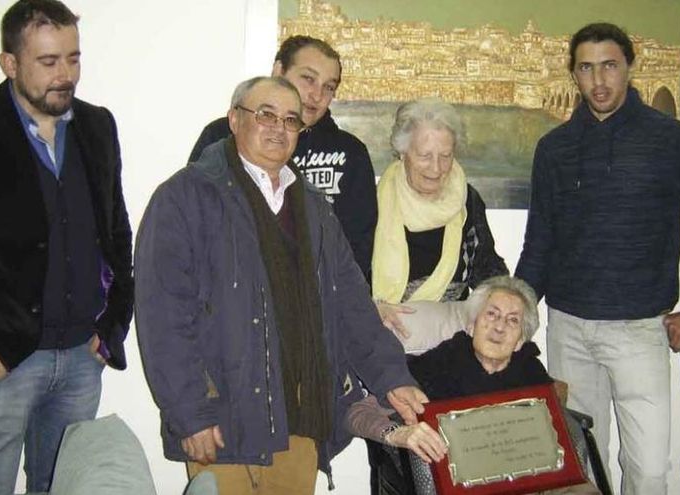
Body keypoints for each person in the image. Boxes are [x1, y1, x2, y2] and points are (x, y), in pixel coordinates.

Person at [134, 76, 427, 495]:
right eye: (265, 115)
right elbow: (162, 318)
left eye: (291, 120)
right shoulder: (185, 197)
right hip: (223, 428)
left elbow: (352, 306)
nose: (279, 128)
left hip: (301, 424)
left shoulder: (312, 207)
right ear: (235, 120)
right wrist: (189, 414)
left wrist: (391, 376)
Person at [514, 22, 680, 495]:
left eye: (609, 66)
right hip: (569, 329)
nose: (599, 81)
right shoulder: (554, 149)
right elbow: (539, 242)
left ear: (628, 68)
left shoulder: (670, 141)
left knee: (646, 472)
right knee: (576, 470)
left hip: (640, 332)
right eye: (586, 68)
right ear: (573, 75)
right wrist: (516, 313)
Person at [0, 1, 134, 493]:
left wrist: (113, 325)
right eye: (48, 62)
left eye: (73, 58)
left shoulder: (98, 126)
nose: (66, 74)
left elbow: (116, 232)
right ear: (10, 64)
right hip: (0, 360)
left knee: (63, 487)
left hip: (81, 357)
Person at [346, 276, 599, 495]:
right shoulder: (435, 366)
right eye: (491, 314)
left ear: (521, 340)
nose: (499, 327)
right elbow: (358, 413)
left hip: (531, 481)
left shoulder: (531, 370)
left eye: (512, 320)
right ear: (471, 324)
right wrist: (398, 434)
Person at [188, 35, 376, 278]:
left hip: (315, 297)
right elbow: (193, 221)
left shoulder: (351, 153)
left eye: (329, 87)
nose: (316, 94)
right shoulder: (225, 134)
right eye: (308, 78)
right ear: (279, 71)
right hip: (231, 291)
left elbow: (357, 250)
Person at [372, 98, 507, 335]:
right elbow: (349, 274)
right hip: (384, 333)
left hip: (448, 336)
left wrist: (507, 303)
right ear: (402, 153)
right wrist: (373, 308)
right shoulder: (372, 202)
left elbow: (486, 268)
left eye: (446, 156)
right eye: (424, 156)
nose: (436, 168)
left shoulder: (467, 200)